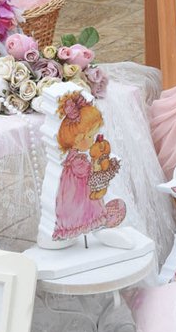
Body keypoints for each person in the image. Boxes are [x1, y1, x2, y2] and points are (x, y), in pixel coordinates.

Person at [52, 90, 125, 241]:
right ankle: (87, 224)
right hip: (78, 198)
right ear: (78, 139)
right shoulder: (76, 161)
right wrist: (99, 164)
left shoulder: (75, 157)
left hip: (78, 193)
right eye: (90, 136)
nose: (93, 140)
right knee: (87, 206)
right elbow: (90, 173)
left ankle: (93, 223)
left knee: (92, 200)